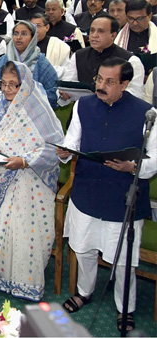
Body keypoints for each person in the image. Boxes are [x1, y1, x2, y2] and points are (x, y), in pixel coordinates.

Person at [59, 57, 157, 333]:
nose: (101, 86)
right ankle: (84, 291)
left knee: (124, 261)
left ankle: (125, 308)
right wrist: (65, 152)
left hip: (122, 196)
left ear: (124, 84)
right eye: (99, 80)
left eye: (109, 82)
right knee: (84, 248)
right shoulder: (83, 105)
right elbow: (72, 140)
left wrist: (133, 167)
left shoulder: (147, 114)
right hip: (87, 190)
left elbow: (156, 159)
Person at [0, 61, 63, 301]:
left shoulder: (38, 108)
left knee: (26, 233)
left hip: (31, 182)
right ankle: (2, 277)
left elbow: (55, 149)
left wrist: (25, 161)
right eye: (3, 84)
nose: (6, 90)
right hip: (2, 177)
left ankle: (27, 283)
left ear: (25, 85)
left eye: (13, 85)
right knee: (3, 232)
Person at [61, 15, 145, 102]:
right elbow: (69, 83)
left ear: (113, 35)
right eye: (92, 30)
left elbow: (135, 94)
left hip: (116, 111)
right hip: (84, 109)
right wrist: (66, 94)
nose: (94, 35)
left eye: (100, 31)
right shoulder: (78, 55)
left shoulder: (130, 60)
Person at [0, 21, 59, 108]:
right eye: (15, 33)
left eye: (24, 34)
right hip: (4, 111)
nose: (18, 37)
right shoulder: (4, 60)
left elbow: (52, 92)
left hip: (32, 114)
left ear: (32, 37)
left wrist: (30, 99)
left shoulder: (41, 62)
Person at [31, 13, 71, 79]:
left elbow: (66, 70)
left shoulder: (58, 45)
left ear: (47, 27)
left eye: (38, 26)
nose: (35, 29)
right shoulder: (24, 44)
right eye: (32, 26)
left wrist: (45, 71)